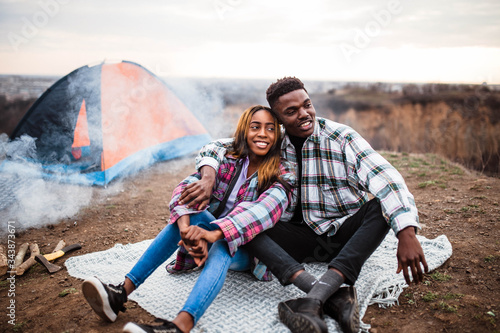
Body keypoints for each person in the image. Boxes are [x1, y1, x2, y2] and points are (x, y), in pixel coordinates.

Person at [180, 77, 429, 333]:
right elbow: (218, 146)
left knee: (380, 207)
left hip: (344, 237)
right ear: (279, 121)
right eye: (291, 111)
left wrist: (406, 232)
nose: (304, 114)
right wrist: (208, 175)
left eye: (307, 105)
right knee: (246, 221)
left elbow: (386, 179)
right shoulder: (275, 144)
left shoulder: (341, 138)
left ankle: (312, 300)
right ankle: (333, 296)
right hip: (293, 242)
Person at [81, 105, 295, 333]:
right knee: (185, 214)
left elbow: (263, 212)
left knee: (223, 244)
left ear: (277, 135)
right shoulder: (230, 158)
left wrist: (212, 234)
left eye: (270, 129)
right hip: (206, 234)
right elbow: (188, 184)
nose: (262, 133)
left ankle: (180, 326)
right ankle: (120, 293)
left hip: (248, 249)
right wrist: (186, 228)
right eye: (255, 127)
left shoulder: (282, 172)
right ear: (244, 130)